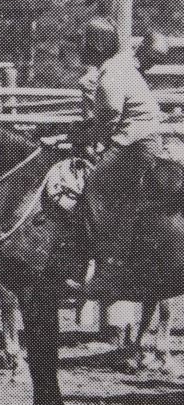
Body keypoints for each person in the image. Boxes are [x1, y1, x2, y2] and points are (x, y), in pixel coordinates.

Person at [67, 18, 165, 297]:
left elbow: (109, 117)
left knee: (95, 189)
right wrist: (78, 130)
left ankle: (108, 269)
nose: (82, 48)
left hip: (134, 143)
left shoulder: (111, 72)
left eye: (85, 43)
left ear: (97, 46)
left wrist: (81, 136)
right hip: (137, 139)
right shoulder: (116, 66)